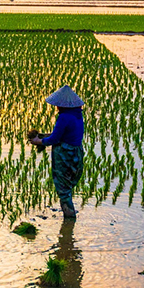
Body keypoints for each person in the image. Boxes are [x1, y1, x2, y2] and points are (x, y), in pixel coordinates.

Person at [29, 85, 85, 218]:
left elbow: (55, 139)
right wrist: (43, 136)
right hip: (76, 153)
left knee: (63, 189)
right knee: (68, 185)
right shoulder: (77, 115)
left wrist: (38, 141)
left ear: (61, 105)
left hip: (65, 155)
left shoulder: (64, 117)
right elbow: (64, 135)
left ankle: (69, 219)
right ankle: (68, 225)